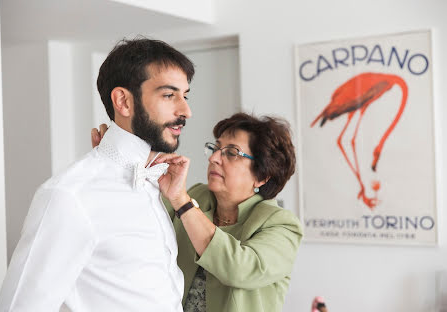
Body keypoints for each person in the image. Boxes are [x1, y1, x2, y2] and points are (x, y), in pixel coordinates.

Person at [0, 37, 195, 312]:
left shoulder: (154, 182)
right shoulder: (69, 196)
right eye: (169, 95)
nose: (186, 111)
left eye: (185, 95)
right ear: (123, 101)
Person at [93, 112, 303, 312]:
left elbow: (240, 269)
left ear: (262, 176)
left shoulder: (282, 225)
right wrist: (115, 164)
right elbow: (139, 219)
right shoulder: (199, 196)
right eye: (216, 148)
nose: (214, 158)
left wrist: (182, 202)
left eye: (231, 153)